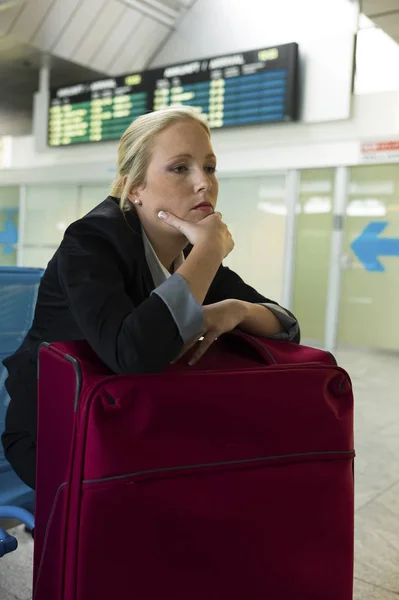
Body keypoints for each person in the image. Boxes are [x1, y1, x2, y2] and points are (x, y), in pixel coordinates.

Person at [1, 106, 300, 491]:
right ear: (134, 187)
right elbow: (133, 354)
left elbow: (286, 327)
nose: (203, 183)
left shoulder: (190, 256)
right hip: (60, 430)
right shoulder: (91, 241)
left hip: (134, 418)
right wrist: (208, 252)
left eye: (209, 168)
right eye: (180, 168)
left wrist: (236, 309)